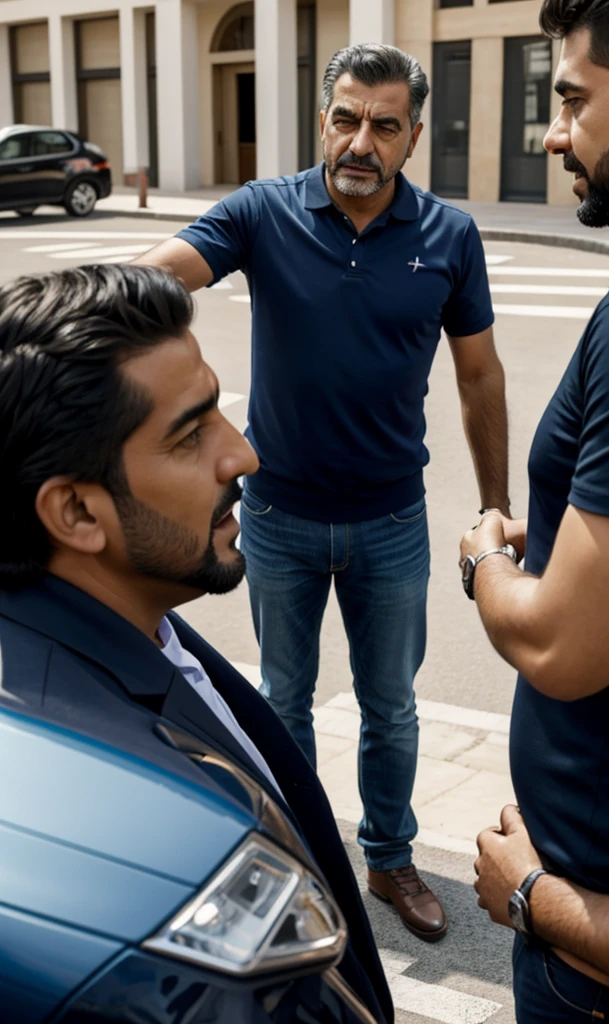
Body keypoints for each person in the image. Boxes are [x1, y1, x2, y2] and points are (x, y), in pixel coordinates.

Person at [134, 43, 509, 942]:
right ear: (323, 121)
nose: (360, 141)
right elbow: (159, 274)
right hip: (278, 517)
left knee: (392, 707)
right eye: (347, 118)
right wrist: (78, 304)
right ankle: (301, 852)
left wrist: (495, 504)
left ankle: (388, 860)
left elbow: (482, 379)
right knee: (282, 697)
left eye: (385, 125)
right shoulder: (263, 213)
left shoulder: (448, 236)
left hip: (391, 521)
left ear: (413, 136)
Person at [0, 263, 393, 1024]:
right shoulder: (125, 814)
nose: (242, 455)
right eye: (190, 435)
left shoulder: (126, 616)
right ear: (77, 513)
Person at [458, 0, 609, 1020]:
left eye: (569, 101)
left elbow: (560, 647)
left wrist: (483, 564)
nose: (550, 136)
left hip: (601, 944)